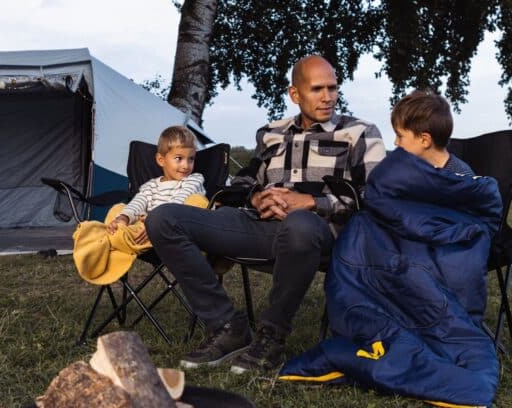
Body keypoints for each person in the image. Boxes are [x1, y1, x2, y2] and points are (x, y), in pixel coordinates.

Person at [145, 55, 386, 373]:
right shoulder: (271, 133)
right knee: (163, 218)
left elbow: (377, 196)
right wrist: (256, 197)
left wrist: (311, 202)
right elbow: (242, 182)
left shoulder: (360, 133)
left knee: (299, 224)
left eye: (332, 88)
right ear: (295, 94)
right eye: (317, 89)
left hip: (321, 234)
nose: (327, 97)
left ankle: (270, 338)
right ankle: (227, 327)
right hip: (262, 227)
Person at [278, 89, 502, 406]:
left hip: (434, 255)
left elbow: (464, 217)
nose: (395, 144)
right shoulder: (399, 171)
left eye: (400, 136)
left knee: (419, 276)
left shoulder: (459, 175)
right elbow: (384, 203)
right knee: (361, 231)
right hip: (391, 247)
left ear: (424, 139)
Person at [106, 125, 207, 245]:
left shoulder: (194, 180)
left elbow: (180, 200)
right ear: (161, 160)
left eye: (191, 159)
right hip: (147, 229)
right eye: (179, 158)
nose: (186, 165)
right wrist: (124, 217)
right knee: (119, 209)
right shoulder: (151, 186)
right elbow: (139, 202)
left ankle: (120, 238)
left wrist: (156, 224)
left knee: (196, 201)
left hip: (179, 232)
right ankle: (116, 232)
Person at [391, 89, 473, 175]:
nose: (396, 142)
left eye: (400, 136)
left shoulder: (461, 179)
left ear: (424, 140)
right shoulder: (411, 171)